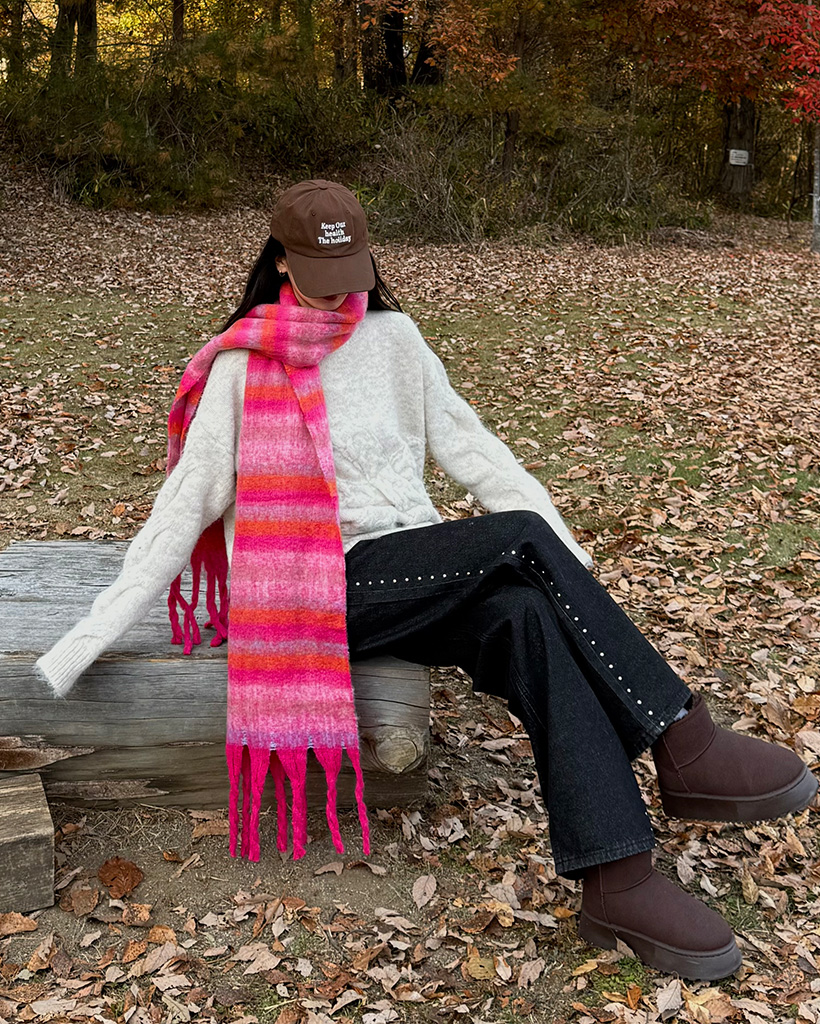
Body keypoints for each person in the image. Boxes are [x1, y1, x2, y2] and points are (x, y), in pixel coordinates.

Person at [35, 179, 817, 981]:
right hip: (311, 591)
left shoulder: (397, 340)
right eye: (319, 271)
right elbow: (182, 507)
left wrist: (569, 577)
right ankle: (686, 742)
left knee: (527, 614)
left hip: (414, 571)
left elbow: (474, 449)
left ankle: (617, 880)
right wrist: (88, 636)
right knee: (521, 543)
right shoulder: (242, 365)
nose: (339, 289)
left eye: (350, 269)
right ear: (281, 263)